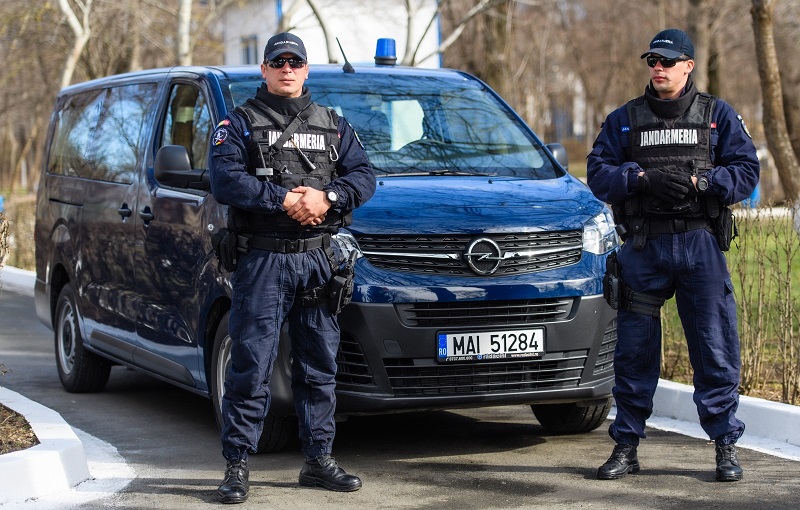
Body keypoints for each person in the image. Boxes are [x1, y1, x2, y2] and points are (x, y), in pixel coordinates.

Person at [209, 32, 376, 504]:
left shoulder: (334, 125)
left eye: (295, 62)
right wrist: (283, 199)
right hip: (263, 259)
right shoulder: (239, 122)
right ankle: (238, 465)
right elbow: (225, 180)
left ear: (306, 70)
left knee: (319, 365)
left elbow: (363, 175)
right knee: (250, 366)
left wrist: (329, 196)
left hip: (318, 260)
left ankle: (318, 460)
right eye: (277, 61)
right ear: (263, 69)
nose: (287, 69)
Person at [586, 28, 759, 482]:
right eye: (652, 61)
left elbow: (746, 170)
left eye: (667, 61)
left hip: (700, 244)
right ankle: (626, 446)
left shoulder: (716, 115)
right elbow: (598, 174)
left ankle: (725, 446)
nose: (658, 68)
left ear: (688, 65)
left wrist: (705, 184)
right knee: (634, 351)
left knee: (714, 347)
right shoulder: (625, 119)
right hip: (645, 246)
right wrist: (640, 179)